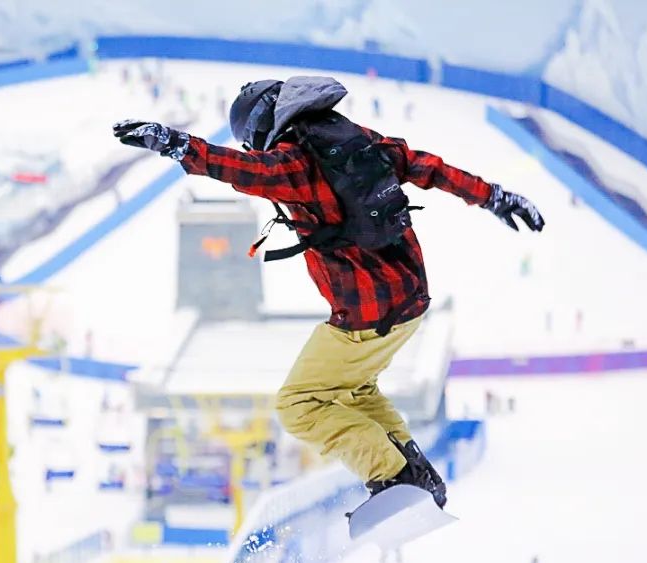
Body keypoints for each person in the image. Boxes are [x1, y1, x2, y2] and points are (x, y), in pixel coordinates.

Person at [114, 77, 544, 506]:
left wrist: (177, 144)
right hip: (410, 301)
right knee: (354, 390)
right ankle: (413, 468)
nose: (255, 150)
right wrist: (493, 197)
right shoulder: (356, 140)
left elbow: (238, 170)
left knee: (299, 405)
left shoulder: (294, 163)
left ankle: (391, 475)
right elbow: (426, 166)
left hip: (365, 315)